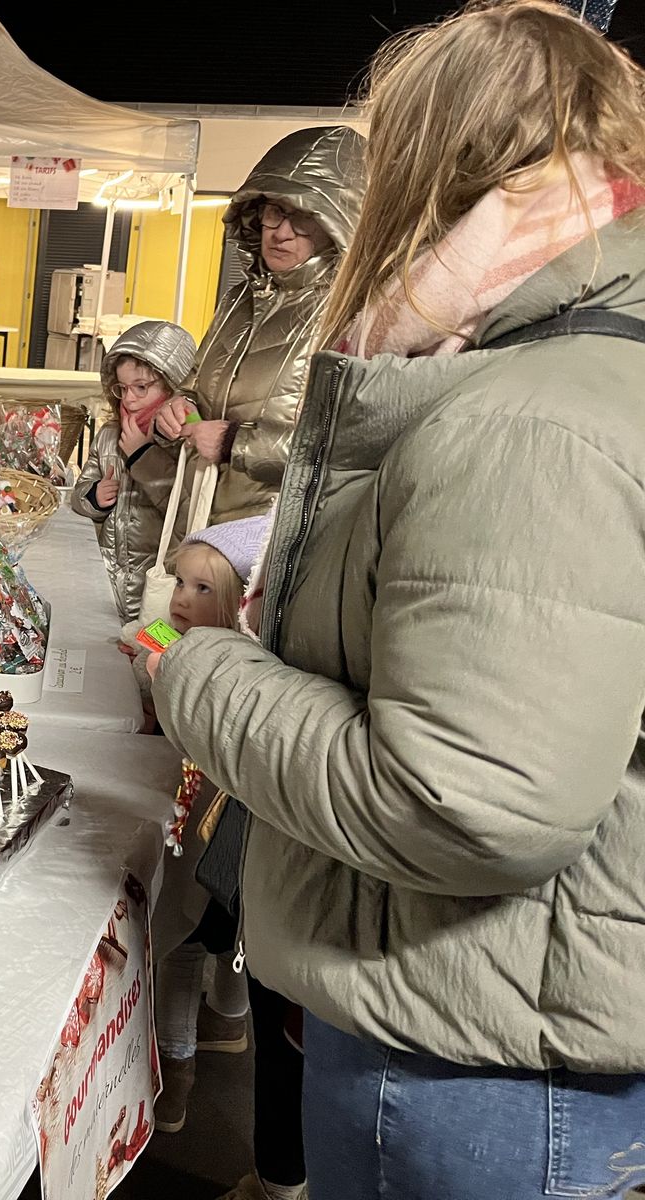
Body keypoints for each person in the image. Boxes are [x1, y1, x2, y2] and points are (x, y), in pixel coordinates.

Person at [150, 4, 645, 1197]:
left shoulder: (526, 419)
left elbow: (464, 801)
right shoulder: (566, 366)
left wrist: (195, 670)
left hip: (469, 1065)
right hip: (509, 1033)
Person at [158, 126, 366, 526]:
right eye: (275, 212)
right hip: (201, 522)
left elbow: (350, 445)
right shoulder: (239, 299)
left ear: (338, 224)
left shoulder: (351, 312)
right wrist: (177, 407)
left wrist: (236, 444)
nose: (282, 232)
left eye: (305, 217)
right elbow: (197, 386)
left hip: (274, 538)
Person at [144, 520, 268, 1141]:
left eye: (201, 589)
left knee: (182, 936)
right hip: (242, 841)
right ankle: (228, 1020)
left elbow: (167, 690)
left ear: (239, 602)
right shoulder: (205, 642)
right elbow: (146, 637)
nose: (181, 601)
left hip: (210, 827)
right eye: (178, 582)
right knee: (231, 934)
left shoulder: (216, 664)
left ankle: (176, 1070)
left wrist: (154, 665)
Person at [70, 321, 198, 625]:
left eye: (142, 387)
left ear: (174, 386)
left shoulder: (186, 445)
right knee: (110, 653)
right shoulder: (108, 437)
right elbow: (79, 494)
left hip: (159, 591)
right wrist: (94, 496)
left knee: (147, 658)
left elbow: (185, 512)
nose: (129, 399)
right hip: (107, 582)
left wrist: (142, 455)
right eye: (122, 388)